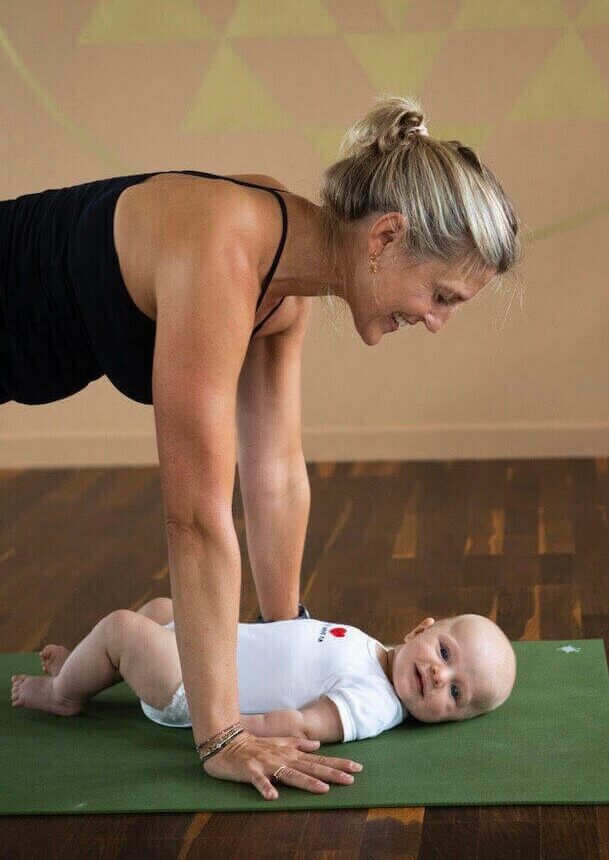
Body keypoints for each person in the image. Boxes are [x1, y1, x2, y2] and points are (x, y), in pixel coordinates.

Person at [0, 95, 521, 799]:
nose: (436, 321)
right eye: (443, 296)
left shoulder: (288, 283)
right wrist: (222, 734)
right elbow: (196, 515)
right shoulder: (228, 255)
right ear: (386, 236)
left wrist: (285, 635)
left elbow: (273, 474)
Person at [11, 597, 516, 798]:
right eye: (444, 651)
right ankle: (90, 664)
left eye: (455, 691)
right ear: (420, 629)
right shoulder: (373, 649)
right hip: (204, 649)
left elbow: (300, 723)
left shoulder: (376, 704)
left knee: (123, 628)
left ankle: (61, 692)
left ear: (449, 720)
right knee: (164, 606)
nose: (437, 672)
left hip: (195, 689)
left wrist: (225, 724)